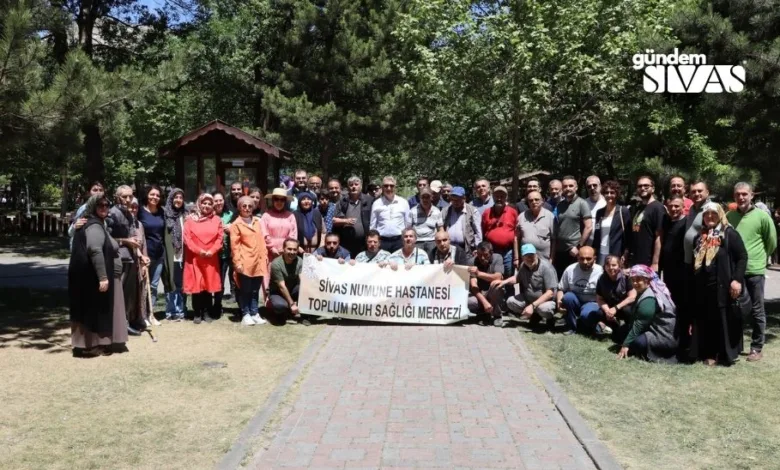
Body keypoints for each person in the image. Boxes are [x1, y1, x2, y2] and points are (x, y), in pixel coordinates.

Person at [68, 195, 128, 357]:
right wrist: (103, 277)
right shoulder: (94, 225)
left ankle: (102, 343)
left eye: (106, 205)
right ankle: (91, 345)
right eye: (100, 205)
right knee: (95, 312)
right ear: (93, 206)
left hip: (104, 276)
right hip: (97, 278)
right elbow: (95, 250)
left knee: (101, 311)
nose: (104, 208)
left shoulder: (99, 224)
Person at [689, 202, 747, 366]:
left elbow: (742, 257)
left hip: (722, 285)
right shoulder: (700, 237)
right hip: (702, 287)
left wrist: (737, 279)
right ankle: (703, 351)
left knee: (719, 320)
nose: (710, 217)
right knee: (704, 320)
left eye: (714, 214)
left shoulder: (729, 234)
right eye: (707, 214)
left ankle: (718, 354)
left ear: (720, 214)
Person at [726, 182, 777, 362]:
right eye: (738, 194)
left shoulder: (762, 217)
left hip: (754, 270)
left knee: (757, 310)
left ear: (752, 195)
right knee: (735, 309)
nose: (741, 197)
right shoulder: (728, 217)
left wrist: (759, 258)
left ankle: (756, 347)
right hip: (734, 273)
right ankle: (735, 346)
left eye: (744, 194)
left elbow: (771, 242)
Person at [616, 265, 678, 363]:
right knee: (620, 332)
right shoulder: (644, 291)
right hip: (651, 327)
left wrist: (626, 345)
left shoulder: (649, 298)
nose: (635, 283)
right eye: (633, 280)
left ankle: (651, 352)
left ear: (648, 281)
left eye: (638, 279)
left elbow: (640, 324)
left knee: (637, 343)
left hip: (663, 336)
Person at [107, 185, 143, 335]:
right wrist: (125, 241)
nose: (128, 200)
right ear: (117, 197)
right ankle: (116, 325)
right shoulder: (112, 214)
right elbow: (106, 239)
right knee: (118, 294)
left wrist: (138, 250)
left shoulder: (129, 213)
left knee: (127, 295)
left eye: (130, 196)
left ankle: (125, 322)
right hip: (118, 259)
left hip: (130, 258)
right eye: (124, 196)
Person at [182, 193, 223, 324]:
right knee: (197, 285)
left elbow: (220, 238)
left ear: (213, 206)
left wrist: (211, 251)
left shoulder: (217, 220)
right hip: (195, 257)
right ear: (199, 204)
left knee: (208, 285)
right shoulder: (190, 220)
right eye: (204, 203)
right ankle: (197, 313)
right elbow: (187, 239)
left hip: (211, 258)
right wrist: (199, 251)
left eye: (209, 203)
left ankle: (207, 312)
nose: (206, 206)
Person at [230, 195, 269, 326]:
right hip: (245, 262)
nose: (247, 208)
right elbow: (234, 246)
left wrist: (265, 256)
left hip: (258, 262)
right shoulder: (236, 224)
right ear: (239, 208)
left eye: (250, 206)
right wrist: (238, 263)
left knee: (255, 290)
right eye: (244, 206)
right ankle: (245, 313)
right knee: (245, 290)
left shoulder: (258, 222)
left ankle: (254, 312)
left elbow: (262, 240)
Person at [502, 244, 558, 331]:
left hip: (545, 302)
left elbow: (550, 293)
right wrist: (503, 282)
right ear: (522, 257)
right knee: (510, 302)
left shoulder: (546, 268)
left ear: (536, 255)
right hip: (528, 299)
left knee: (545, 309)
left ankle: (549, 318)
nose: (530, 258)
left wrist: (532, 306)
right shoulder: (523, 265)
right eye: (527, 256)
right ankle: (535, 316)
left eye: (532, 255)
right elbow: (517, 279)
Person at [556, 246, 603, 335]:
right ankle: (571, 327)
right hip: (575, 301)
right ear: (577, 258)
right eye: (582, 259)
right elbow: (561, 288)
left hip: (592, 302)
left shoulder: (601, 271)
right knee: (567, 297)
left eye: (588, 259)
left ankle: (592, 324)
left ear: (595, 258)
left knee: (585, 316)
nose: (585, 262)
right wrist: (559, 301)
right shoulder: (570, 269)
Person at [553, 176, 592, 278]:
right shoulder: (560, 205)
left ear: (576, 187)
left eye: (571, 186)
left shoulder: (582, 203)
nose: (568, 188)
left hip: (573, 251)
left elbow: (588, 227)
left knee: (573, 280)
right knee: (560, 279)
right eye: (565, 186)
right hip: (559, 250)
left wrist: (579, 247)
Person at [660, 195, 688, 335]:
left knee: (681, 303)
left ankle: (683, 334)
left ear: (683, 207)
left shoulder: (687, 223)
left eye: (677, 206)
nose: (674, 208)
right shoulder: (666, 222)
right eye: (671, 206)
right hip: (668, 270)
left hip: (682, 270)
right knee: (670, 301)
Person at [138, 185, 166, 311]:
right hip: (144, 254)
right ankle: (140, 312)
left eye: (157, 195)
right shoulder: (140, 212)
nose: (155, 197)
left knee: (154, 285)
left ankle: (150, 312)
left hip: (159, 255)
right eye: (152, 194)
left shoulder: (162, 212)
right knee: (142, 285)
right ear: (147, 195)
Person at [628, 176, 664, 270]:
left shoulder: (658, 208)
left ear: (653, 188)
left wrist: (655, 262)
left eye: (646, 186)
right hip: (635, 259)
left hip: (648, 261)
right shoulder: (638, 208)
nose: (642, 188)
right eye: (639, 186)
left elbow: (659, 236)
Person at [595, 255, 636, 338]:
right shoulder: (601, 279)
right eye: (608, 265)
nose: (611, 268)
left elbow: (632, 297)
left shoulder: (626, 277)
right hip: (611, 308)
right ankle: (613, 325)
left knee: (627, 310)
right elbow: (599, 299)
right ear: (604, 267)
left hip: (624, 307)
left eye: (614, 265)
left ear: (619, 266)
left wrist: (616, 308)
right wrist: (607, 311)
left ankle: (630, 328)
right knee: (599, 313)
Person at [269, 238, 308, 325]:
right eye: (289, 249)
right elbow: (282, 286)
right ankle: (281, 313)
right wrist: (291, 304)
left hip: (292, 290)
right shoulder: (276, 264)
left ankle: (305, 316)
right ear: (283, 249)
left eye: (295, 249)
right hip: (278, 292)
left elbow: (303, 280)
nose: (292, 252)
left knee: (305, 290)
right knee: (280, 306)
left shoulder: (299, 261)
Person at [333, 176, 373, 258]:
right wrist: (346, 221)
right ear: (348, 187)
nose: (354, 187)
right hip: (346, 242)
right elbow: (335, 220)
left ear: (361, 186)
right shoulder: (342, 201)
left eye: (356, 184)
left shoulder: (369, 200)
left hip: (364, 242)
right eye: (351, 185)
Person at [481, 185, 517, 277]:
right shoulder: (486, 212)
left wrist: (516, 257)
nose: (499, 199)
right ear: (493, 197)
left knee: (508, 274)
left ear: (506, 198)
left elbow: (517, 233)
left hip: (507, 251)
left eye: (502, 196)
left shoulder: (513, 212)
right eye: (497, 196)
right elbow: (483, 231)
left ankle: (508, 291)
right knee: (493, 274)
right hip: (492, 251)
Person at [466, 241, 505, 327]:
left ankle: (497, 316)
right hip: (480, 293)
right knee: (467, 301)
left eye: (485, 255)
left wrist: (478, 273)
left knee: (497, 284)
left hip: (492, 291)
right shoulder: (471, 262)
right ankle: (483, 313)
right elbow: (473, 286)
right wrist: (484, 302)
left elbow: (498, 277)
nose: (482, 258)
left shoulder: (497, 258)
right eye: (479, 255)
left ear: (491, 253)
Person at [128, 198, 153, 327]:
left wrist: (144, 262)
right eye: (130, 206)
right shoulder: (123, 224)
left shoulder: (139, 224)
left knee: (141, 290)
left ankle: (141, 317)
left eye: (135, 207)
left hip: (140, 262)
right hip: (128, 263)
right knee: (130, 293)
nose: (133, 209)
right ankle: (128, 320)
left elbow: (143, 246)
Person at [592, 180, 631, 265]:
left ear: (616, 194)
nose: (609, 195)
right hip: (601, 253)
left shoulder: (623, 211)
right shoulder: (599, 212)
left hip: (616, 253)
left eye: (612, 192)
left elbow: (628, 235)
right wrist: (594, 252)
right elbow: (596, 234)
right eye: (606, 192)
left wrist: (626, 253)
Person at [163, 188, 187, 321]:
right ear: (171, 199)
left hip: (182, 254)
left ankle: (180, 311)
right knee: (170, 283)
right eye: (175, 197)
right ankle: (170, 311)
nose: (178, 200)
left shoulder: (186, 214)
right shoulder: (165, 214)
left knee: (180, 284)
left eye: (181, 197)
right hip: (169, 253)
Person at [370, 176, 410, 253]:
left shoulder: (403, 202)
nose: (389, 188)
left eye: (391, 186)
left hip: (399, 241)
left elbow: (407, 224)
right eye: (386, 186)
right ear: (382, 187)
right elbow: (373, 225)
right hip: (382, 241)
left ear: (395, 187)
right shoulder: (376, 203)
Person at [514, 190, 555, 263]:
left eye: (536, 199)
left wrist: (551, 258)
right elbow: (516, 238)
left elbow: (554, 240)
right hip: (525, 261)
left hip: (544, 261)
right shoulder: (521, 217)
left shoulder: (550, 217)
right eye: (531, 200)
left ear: (542, 201)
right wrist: (516, 258)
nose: (534, 202)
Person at [261, 187, 298, 268]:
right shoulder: (266, 215)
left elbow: (293, 235)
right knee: (268, 277)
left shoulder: (290, 216)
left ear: (285, 201)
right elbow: (264, 233)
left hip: (286, 253)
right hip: (268, 253)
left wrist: (284, 248)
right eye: (276, 199)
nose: (279, 202)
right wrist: (272, 248)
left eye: (282, 200)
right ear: (273, 200)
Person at [441, 186, 482, 256]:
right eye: (453, 200)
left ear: (464, 199)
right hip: (449, 248)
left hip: (467, 249)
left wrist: (477, 248)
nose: (455, 202)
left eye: (458, 200)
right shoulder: (446, 210)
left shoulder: (472, 211)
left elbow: (478, 232)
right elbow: (441, 227)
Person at [212, 192, 234, 317]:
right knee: (216, 282)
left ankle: (220, 304)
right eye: (216, 200)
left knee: (229, 280)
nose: (218, 203)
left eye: (220, 200)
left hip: (228, 254)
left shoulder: (230, 215)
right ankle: (214, 305)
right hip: (214, 255)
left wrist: (231, 229)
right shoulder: (209, 215)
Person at [68, 181, 105, 249]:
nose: (98, 192)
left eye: (101, 190)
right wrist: (75, 226)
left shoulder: (105, 207)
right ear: (88, 193)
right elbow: (70, 232)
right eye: (95, 190)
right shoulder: (84, 208)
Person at [407, 188, 443, 253]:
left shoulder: (437, 211)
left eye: (427, 197)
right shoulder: (412, 211)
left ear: (431, 197)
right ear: (419, 198)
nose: (425, 199)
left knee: (432, 262)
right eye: (423, 197)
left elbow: (440, 229)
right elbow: (408, 229)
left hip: (432, 242)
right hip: (417, 242)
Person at [584, 176, 607, 246]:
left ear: (600, 186)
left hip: (603, 246)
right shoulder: (583, 204)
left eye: (595, 185)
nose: (592, 188)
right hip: (587, 247)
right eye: (589, 186)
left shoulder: (607, 203)